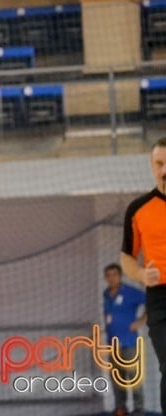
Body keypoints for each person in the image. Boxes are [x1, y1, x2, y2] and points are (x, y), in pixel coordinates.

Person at [122, 137, 166, 414]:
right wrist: (140, 273)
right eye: (159, 164)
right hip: (160, 299)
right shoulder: (138, 209)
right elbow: (126, 257)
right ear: (151, 167)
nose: (164, 170)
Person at [103, 263, 146, 416]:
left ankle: (139, 409)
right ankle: (121, 407)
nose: (111, 278)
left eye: (114, 275)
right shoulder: (106, 294)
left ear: (120, 276)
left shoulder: (131, 292)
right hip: (112, 344)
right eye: (108, 275)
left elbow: (152, 303)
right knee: (117, 378)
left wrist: (141, 321)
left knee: (134, 378)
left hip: (129, 343)